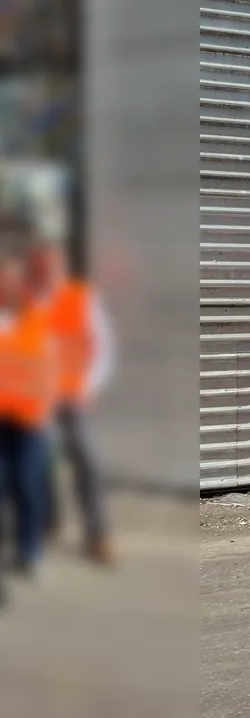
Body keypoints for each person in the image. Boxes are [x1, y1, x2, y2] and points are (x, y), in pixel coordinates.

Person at [34, 241, 114, 563]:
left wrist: (89, 385)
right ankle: (45, 525)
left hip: (71, 395)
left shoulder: (80, 298)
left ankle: (97, 533)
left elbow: (104, 346)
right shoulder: (25, 301)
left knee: (84, 460)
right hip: (34, 398)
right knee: (36, 463)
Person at [0, 242, 56, 577]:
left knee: (28, 486)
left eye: (10, 278)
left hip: (31, 419)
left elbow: (51, 366)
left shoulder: (36, 317)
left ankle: (30, 550)